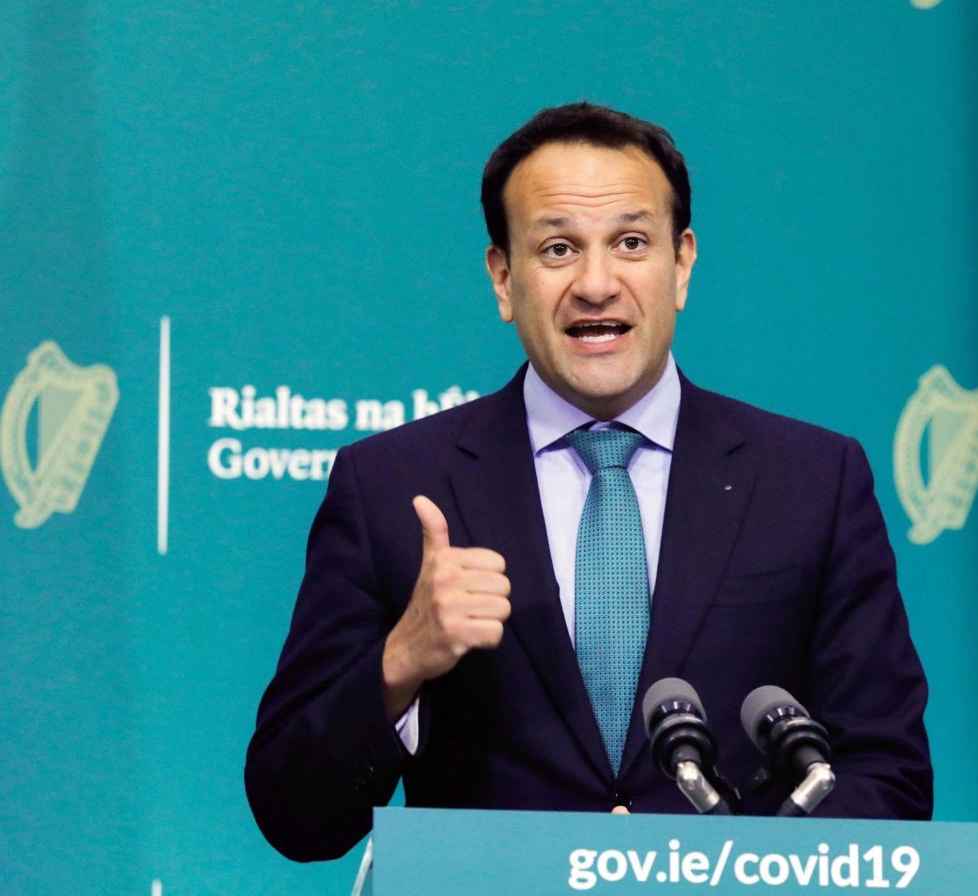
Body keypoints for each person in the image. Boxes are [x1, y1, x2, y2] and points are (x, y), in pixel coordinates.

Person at [245, 102, 932, 862]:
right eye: (558, 249)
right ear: (503, 278)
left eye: (631, 242)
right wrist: (400, 664)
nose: (596, 283)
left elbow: (887, 778)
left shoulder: (812, 480)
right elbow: (292, 811)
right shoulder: (392, 486)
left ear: (682, 265)